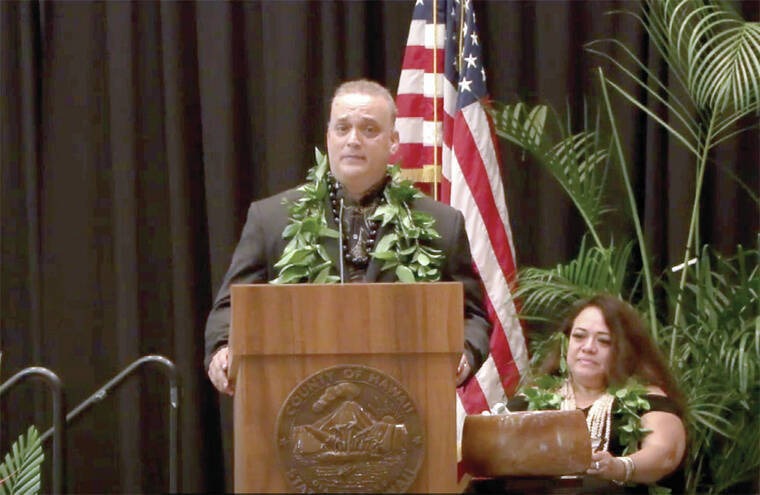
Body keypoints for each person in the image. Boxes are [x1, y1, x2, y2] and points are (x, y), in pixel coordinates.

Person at [204, 79, 492, 395]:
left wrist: (464, 353)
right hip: (298, 403)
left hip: (405, 405)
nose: (353, 140)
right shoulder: (271, 220)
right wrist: (221, 350)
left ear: (393, 141)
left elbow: (473, 315)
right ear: (328, 136)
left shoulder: (441, 224)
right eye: (342, 128)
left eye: (369, 130)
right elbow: (230, 306)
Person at [507, 294, 687, 493]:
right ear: (566, 342)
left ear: (625, 350)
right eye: (579, 336)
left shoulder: (649, 400)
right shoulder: (531, 400)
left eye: (604, 341)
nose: (588, 347)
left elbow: (665, 454)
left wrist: (619, 468)